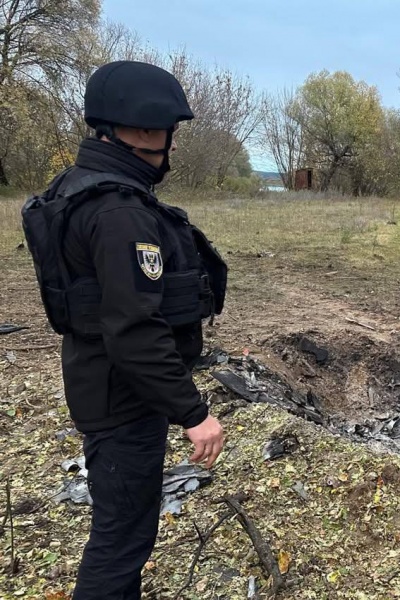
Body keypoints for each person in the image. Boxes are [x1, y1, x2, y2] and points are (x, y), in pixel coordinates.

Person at [22, 60, 227, 599]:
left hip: (107, 387)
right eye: (168, 132)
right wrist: (194, 414)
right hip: (123, 400)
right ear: (140, 131)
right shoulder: (119, 213)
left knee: (123, 532)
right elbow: (134, 329)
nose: (172, 144)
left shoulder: (82, 187)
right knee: (120, 541)